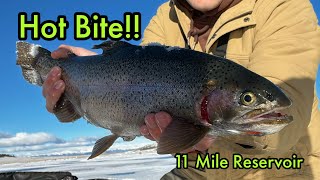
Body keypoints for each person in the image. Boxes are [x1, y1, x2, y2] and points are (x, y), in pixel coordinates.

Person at [43, 0, 320, 179]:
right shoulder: (166, 16)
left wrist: (207, 137)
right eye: (247, 99)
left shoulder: (282, 5)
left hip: (282, 170)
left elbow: (289, 108)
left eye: (246, 98)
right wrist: (88, 77)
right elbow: (134, 78)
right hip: (199, 170)